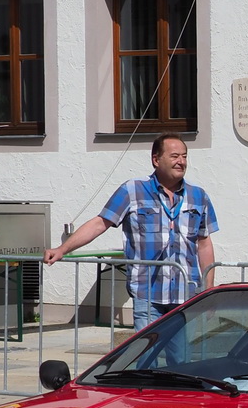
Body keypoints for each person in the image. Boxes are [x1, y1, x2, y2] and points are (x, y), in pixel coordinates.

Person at [44, 135, 219, 330]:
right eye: (174, 156)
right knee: (147, 348)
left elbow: (204, 244)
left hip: (186, 294)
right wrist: (62, 249)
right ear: (156, 160)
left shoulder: (198, 196)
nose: (181, 161)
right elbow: (100, 223)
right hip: (147, 294)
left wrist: (209, 290)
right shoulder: (133, 190)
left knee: (181, 350)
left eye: (184, 156)